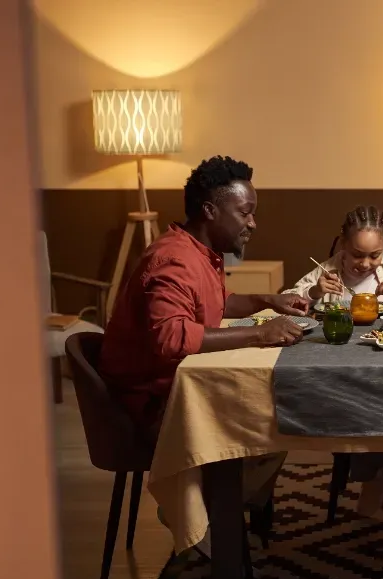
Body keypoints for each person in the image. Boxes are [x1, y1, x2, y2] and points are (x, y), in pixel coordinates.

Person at [99, 155, 311, 555]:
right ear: (210, 210)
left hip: (177, 391)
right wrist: (261, 333)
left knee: (278, 417)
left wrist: (268, 299)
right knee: (275, 420)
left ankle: (217, 509)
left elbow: (213, 305)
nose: (253, 223)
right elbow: (170, 337)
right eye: (245, 212)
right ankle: (196, 510)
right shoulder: (174, 261)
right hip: (153, 407)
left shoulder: (198, 250)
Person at [285, 205, 383, 516]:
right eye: (357, 254)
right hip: (336, 364)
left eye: (375, 255)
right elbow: (288, 301)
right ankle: (368, 464)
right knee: (351, 399)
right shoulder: (327, 270)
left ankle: (373, 473)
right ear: (342, 242)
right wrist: (315, 293)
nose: (366, 263)